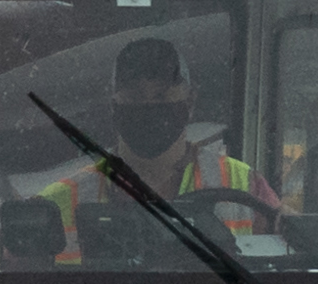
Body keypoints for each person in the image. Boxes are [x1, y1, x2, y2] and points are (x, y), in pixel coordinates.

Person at [25, 33, 267, 264]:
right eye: (135, 96)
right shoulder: (52, 206)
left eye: (162, 96)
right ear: (113, 104)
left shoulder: (248, 189)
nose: (148, 105)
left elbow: (292, 259)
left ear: (190, 101)